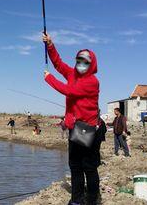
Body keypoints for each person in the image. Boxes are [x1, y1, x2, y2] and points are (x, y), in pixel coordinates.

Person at [43, 32, 105, 205]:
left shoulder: (92, 81)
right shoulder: (72, 74)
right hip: (74, 127)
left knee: (89, 168)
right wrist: (50, 45)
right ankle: (76, 200)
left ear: (92, 64)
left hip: (89, 128)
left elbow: (68, 91)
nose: (81, 64)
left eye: (86, 61)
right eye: (79, 60)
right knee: (75, 166)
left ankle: (92, 200)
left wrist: (49, 79)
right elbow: (58, 64)